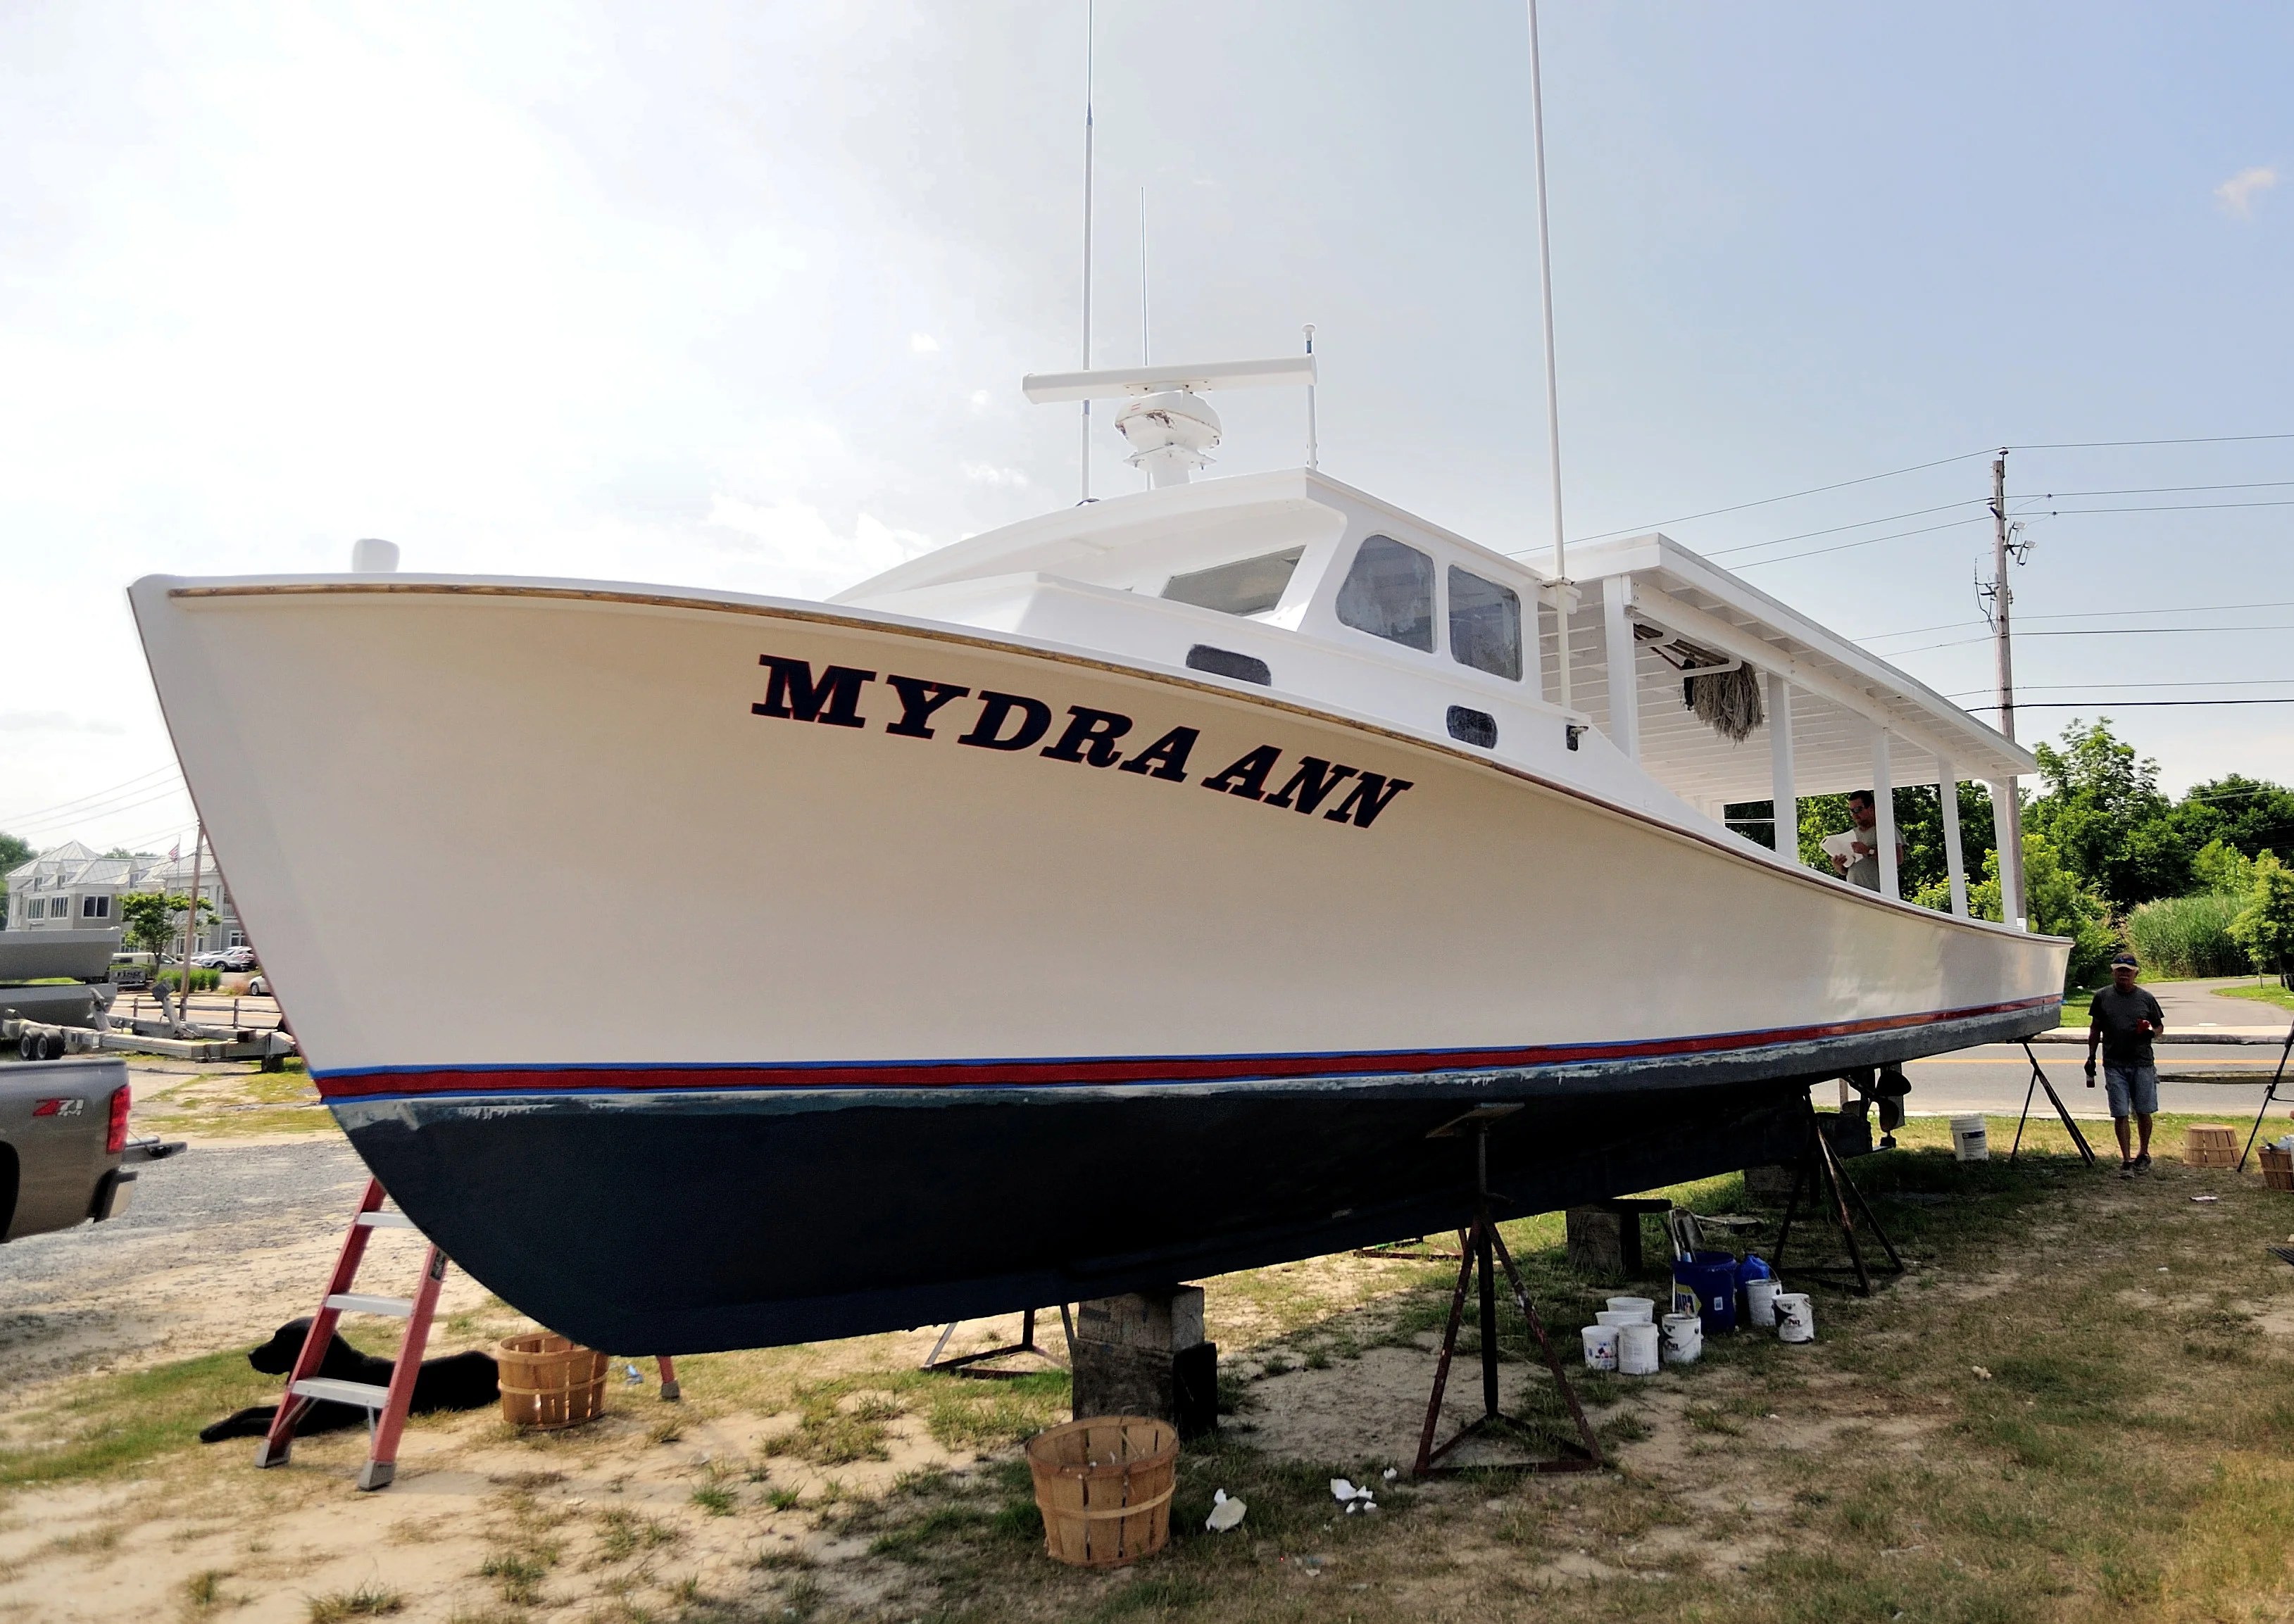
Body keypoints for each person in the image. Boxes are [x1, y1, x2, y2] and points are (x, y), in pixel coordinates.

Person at [2086, 951, 2164, 1177]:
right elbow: (2095, 1028)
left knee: (2144, 1110)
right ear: (2112, 972)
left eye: (2128, 972)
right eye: (2119, 970)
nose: (2123, 975)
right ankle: (2126, 1159)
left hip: (2142, 1062)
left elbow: (2159, 1029)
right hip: (2114, 1063)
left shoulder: (2146, 998)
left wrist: (2149, 1030)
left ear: (2135, 974)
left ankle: (2144, 1153)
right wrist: (2091, 1057)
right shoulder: (2102, 997)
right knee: (2120, 1112)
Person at [1821, 791, 1906, 892]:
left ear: (1871, 808)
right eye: (1852, 811)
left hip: (1879, 895)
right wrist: (1839, 866)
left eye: (1858, 809)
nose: (1855, 815)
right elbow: (1846, 870)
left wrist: (1868, 851)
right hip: (1854, 895)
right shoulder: (1851, 834)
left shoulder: (1885, 830)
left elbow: (1898, 858)